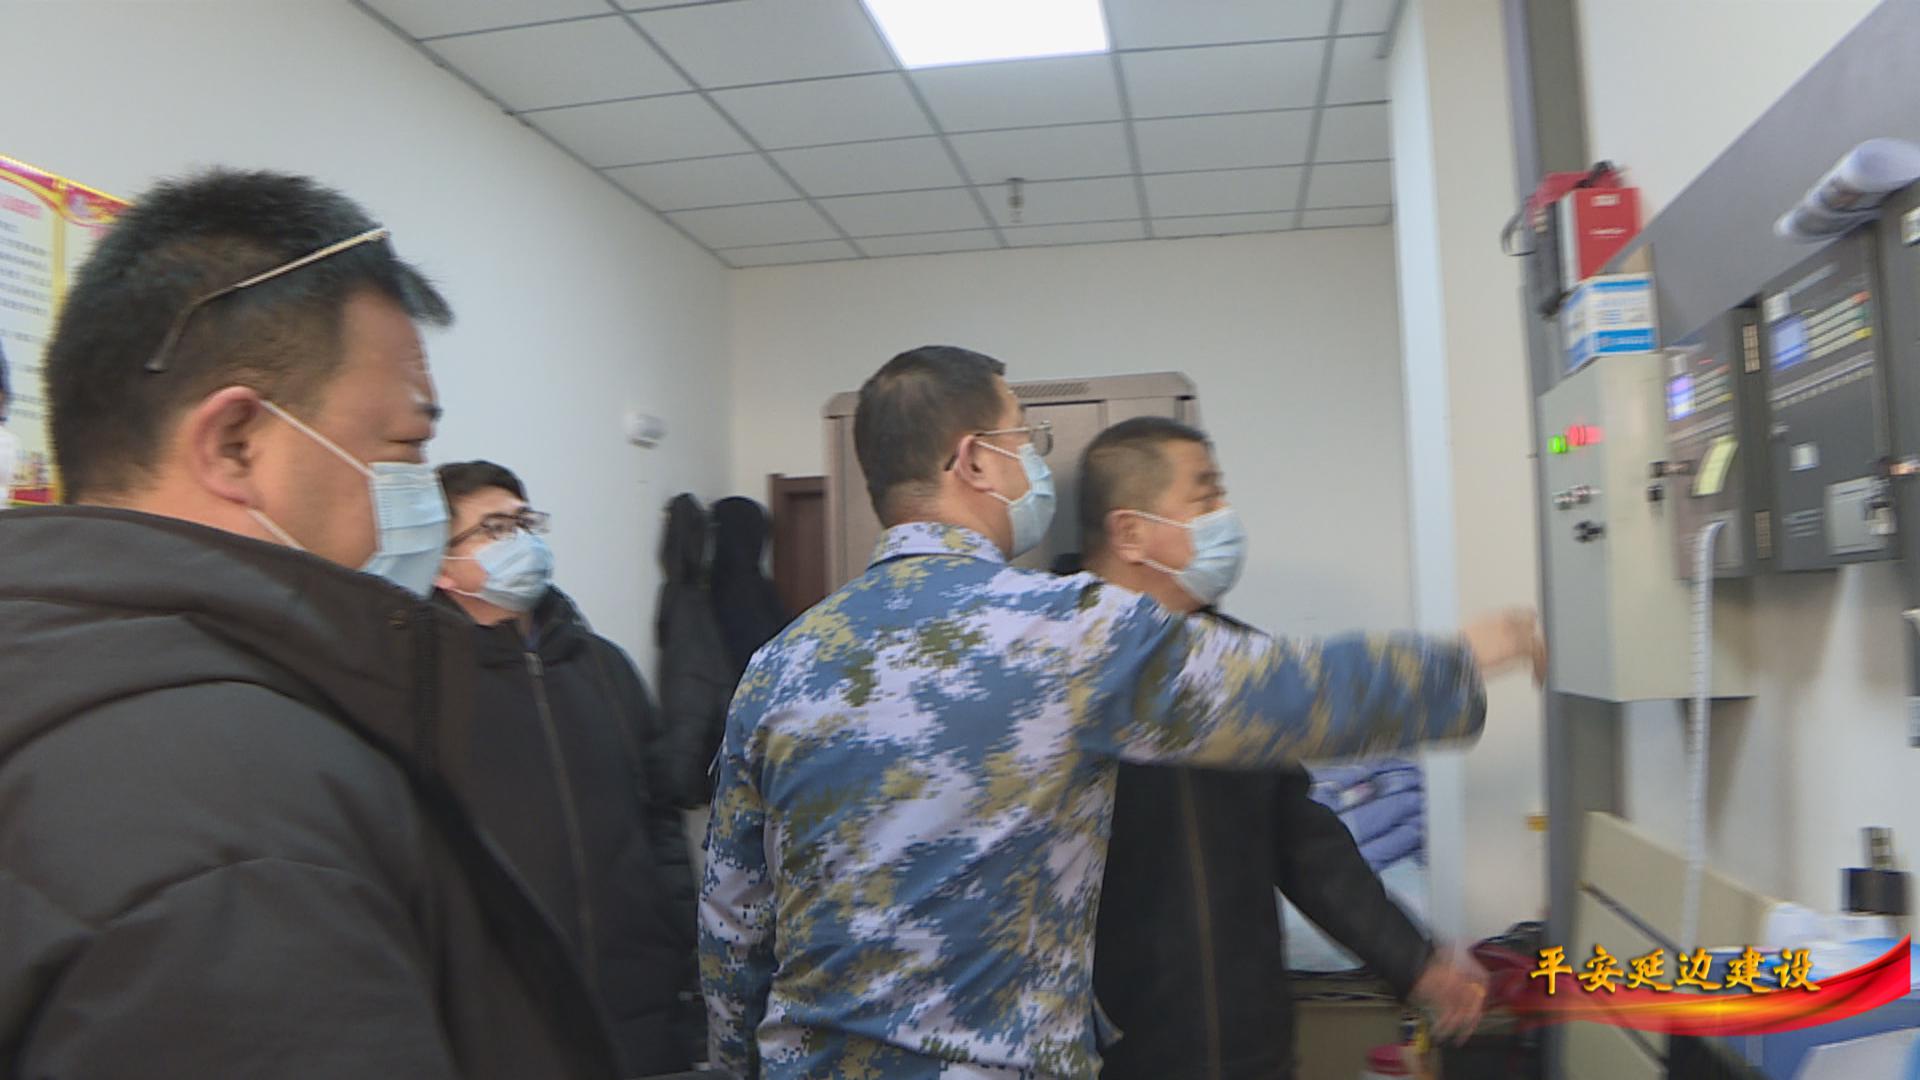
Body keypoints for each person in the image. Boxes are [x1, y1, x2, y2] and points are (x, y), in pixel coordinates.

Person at [700, 345, 1544, 1079]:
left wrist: (741, 1062)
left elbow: (734, 922)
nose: (1033, 462)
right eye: (1024, 438)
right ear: (976, 462)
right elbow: (1287, 693)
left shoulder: (780, 663)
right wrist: (1467, 657)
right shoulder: (1063, 633)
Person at [0, 170, 617, 1078]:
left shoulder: (52, 662)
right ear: (236, 444)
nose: (419, 491)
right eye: (406, 447)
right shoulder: (242, 817)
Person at [1075, 417, 1486, 1080]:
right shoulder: (1055, 670)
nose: (1225, 514)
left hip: (1248, 1048)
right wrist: (1461, 663)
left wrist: (1415, 963)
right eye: (1205, 496)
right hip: (1107, 1056)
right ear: (1130, 532)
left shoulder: (1241, 668)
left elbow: (1303, 842)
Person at [433, 460, 703, 1075]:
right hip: (503, 1020)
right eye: (494, 528)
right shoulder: (424, 683)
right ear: (443, 565)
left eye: (525, 523)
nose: (521, 541)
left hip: (636, 1005)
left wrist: (682, 946)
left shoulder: (603, 667)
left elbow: (659, 821)